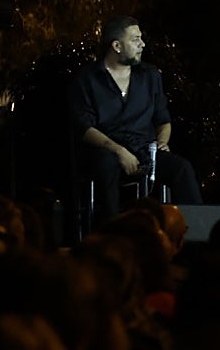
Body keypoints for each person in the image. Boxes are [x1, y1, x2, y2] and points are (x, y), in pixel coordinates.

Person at [69, 16, 203, 222]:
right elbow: (84, 127)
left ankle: (198, 231)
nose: (142, 44)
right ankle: (115, 231)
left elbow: (163, 119)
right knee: (106, 165)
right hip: (106, 151)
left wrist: (162, 142)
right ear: (117, 46)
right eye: (135, 39)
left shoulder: (150, 76)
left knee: (181, 168)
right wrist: (119, 151)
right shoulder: (87, 79)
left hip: (144, 150)